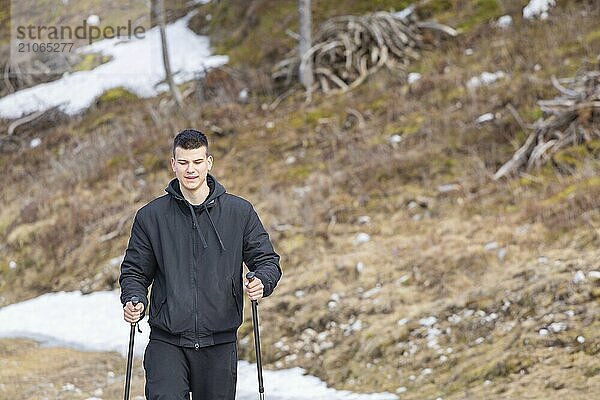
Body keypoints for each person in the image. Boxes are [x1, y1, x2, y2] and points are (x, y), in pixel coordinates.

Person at [119, 129, 282, 400]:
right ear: (173, 164)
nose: (190, 170)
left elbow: (267, 260)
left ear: (209, 162)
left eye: (196, 162)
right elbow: (135, 271)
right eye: (183, 162)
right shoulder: (151, 217)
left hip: (219, 341)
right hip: (167, 339)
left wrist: (262, 281)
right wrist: (134, 298)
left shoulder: (239, 212)